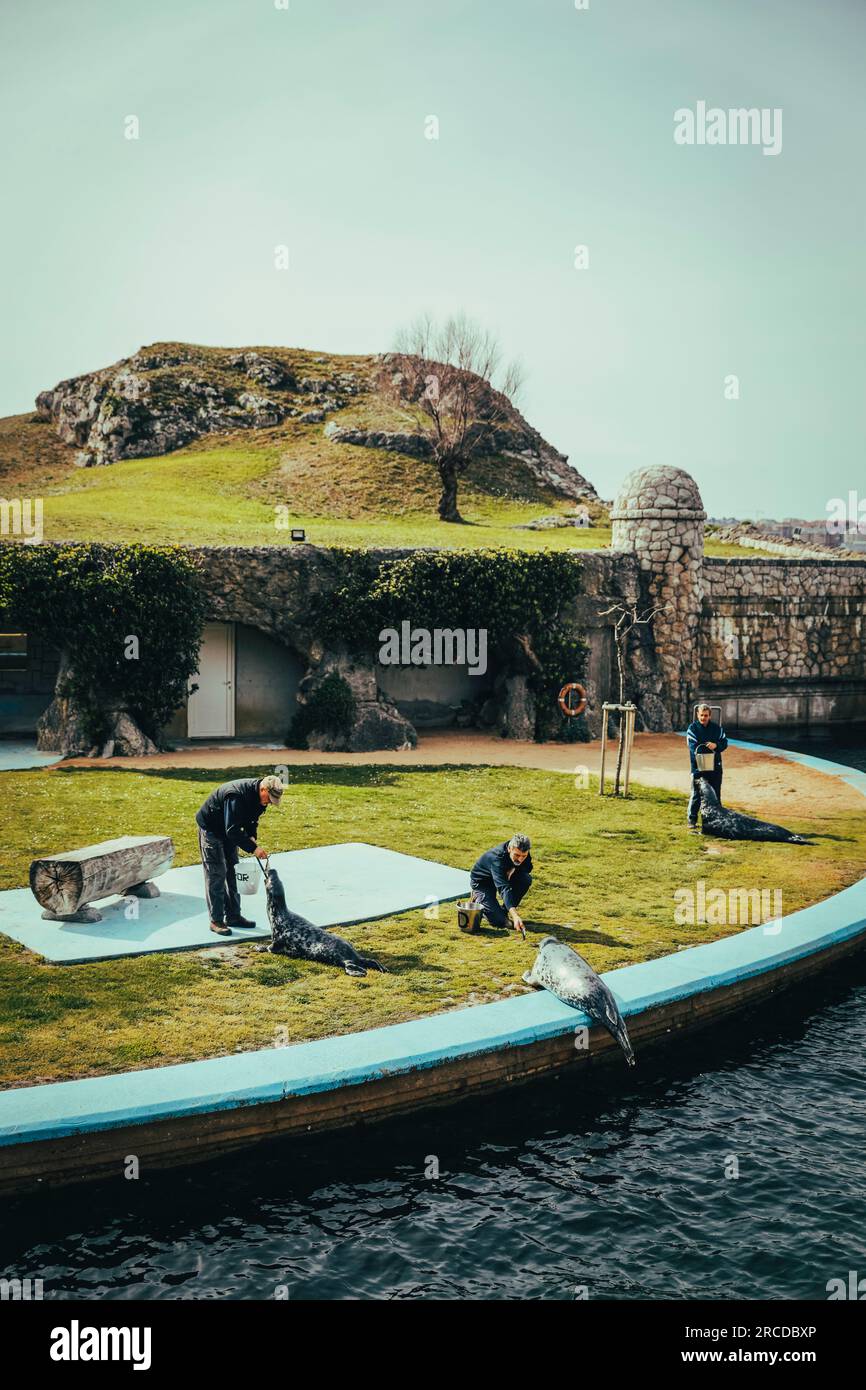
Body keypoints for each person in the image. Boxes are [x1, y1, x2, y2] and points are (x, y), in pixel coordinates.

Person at [196, 774, 285, 935]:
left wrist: (252, 837)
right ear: (263, 789)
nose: (270, 802)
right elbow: (233, 830)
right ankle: (216, 920)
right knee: (217, 873)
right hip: (211, 829)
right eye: (270, 798)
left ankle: (233, 916)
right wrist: (254, 849)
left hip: (229, 831)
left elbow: (252, 820)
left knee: (233, 871)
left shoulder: (261, 798)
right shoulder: (235, 795)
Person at [469, 833, 533, 936]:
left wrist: (514, 868)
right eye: (517, 855)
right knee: (499, 922)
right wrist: (515, 915)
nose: (520, 859)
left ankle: (502, 911)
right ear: (510, 849)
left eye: (523, 856)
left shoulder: (523, 851)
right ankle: (478, 898)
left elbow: (528, 867)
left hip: (503, 876)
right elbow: (504, 888)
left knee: (525, 879)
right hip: (483, 883)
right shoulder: (497, 859)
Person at [686, 704, 728, 827]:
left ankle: (717, 820)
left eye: (706, 715)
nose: (703, 718)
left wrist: (716, 745)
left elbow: (724, 742)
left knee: (716, 794)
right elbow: (693, 746)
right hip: (698, 767)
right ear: (697, 715)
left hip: (715, 767)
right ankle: (692, 820)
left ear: (710, 716)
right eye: (701, 715)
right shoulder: (692, 729)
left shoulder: (717, 729)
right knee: (696, 795)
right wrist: (705, 750)